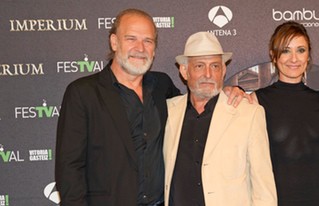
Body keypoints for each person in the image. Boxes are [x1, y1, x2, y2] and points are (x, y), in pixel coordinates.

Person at [55, 9, 246, 206]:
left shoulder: (162, 86)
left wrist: (230, 90)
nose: (140, 48)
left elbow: (199, 105)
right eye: (131, 39)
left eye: (148, 41)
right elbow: (70, 169)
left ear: (154, 49)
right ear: (114, 42)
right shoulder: (83, 93)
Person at [163, 31, 277, 206]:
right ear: (184, 71)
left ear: (223, 70)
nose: (208, 74)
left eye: (215, 66)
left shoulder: (249, 114)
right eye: (200, 66)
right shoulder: (168, 111)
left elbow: (264, 190)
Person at [250, 21, 319, 206]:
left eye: (300, 50)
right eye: (285, 51)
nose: (294, 59)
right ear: (273, 56)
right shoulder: (257, 101)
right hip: (276, 199)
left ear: (308, 55)